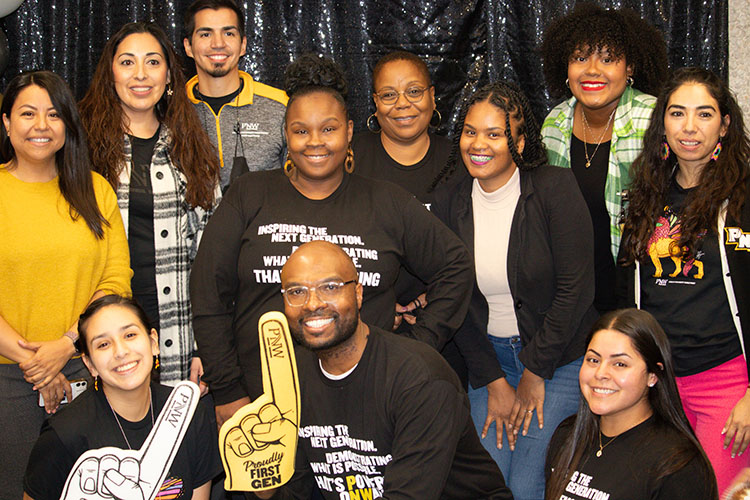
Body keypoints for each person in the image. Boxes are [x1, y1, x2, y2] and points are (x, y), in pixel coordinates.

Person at [190, 54, 473, 437]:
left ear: (350, 131)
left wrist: (418, 344)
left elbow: (455, 264)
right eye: (301, 131)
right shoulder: (249, 195)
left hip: (367, 405)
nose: (315, 142)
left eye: (329, 128)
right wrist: (226, 390)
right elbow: (208, 295)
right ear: (285, 134)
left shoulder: (386, 202)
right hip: (262, 410)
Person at [433, 81, 597, 500]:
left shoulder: (554, 189)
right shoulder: (451, 200)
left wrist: (534, 371)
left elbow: (576, 290)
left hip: (557, 361)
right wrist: (493, 380)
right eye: (470, 131)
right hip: (489, 361)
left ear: (519, 142)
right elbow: (455, 300)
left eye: (494, 133)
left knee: (526, 487)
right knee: (486, 484)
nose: (478, 144)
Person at [250, 240, 511, 499]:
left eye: (329, 287)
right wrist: (263, 479)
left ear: (358, 293)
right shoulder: (294, 376)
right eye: (296, 291)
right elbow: (296, 492)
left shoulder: (420, 380)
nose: (312, 303)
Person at [618, 67, 750, 494]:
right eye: (677, 113)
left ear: (724, 125)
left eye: (704, 114)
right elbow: (628, 293)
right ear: (663, 124)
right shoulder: (645, 195)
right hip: (659, 385)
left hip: (728, 386)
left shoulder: (744, 198)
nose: (689, 127)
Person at [0, 71, 131, 500]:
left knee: (94, 490)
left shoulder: (95, 190)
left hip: (87, 372)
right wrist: (38, 367)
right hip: (8, 381)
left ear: (68, 123)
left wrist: (66, 345)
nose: (41, 126)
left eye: (54, 114)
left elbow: (115, 281)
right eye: (28, 114)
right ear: (6, 122)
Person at [79, 22, 221, 388]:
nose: (140, 74)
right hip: (101, 332)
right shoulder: (81, 149)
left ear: (170, 76)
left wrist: (207, 344)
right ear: (110, 75)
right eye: (127, 63)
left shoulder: (191, 147)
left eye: (153, 62)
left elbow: (210, 256)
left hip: (178, 332)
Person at [23, 295, 221, 500]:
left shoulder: (190, 415)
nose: (121, 352)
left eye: (130, 335)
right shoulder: (64, 435)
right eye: (103, 344)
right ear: (89, 364)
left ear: (153, 342)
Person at [540, 3, 668, 313]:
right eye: (580, 58)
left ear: (630, 68)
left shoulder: (654, 120)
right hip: (573, 301)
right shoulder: (554, 123)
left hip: (642, 297)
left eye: (608, 59)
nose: (592, 70)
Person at [545, 308, 718, 500]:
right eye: (593, 360)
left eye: (620, 364)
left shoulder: (678, 464)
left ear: (653, 375)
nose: (600, 373)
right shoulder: (567, 435)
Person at [183, 0, 288, 191]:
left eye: (228, 33)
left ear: (243, 45)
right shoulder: (173, 109)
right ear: (188, 47)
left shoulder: (280, 105)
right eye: (206, 34)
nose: (218, 44)